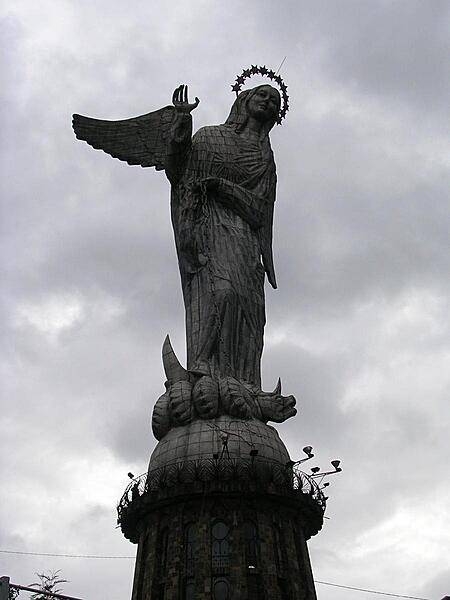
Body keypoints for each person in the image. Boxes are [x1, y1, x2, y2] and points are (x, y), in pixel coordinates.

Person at [165, 84, 281, 390]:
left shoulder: (266, 161)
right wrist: (180, 125)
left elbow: (260, 211)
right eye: (262, 95)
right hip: (210, 230)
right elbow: (181, 174)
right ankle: (204, 366)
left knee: (249, 311)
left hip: (244, 239)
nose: (268, 101)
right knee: (223, 292)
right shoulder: (210, 137)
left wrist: (224, 188)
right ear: (244, 100)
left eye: (274, 100)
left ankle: (241, 382)